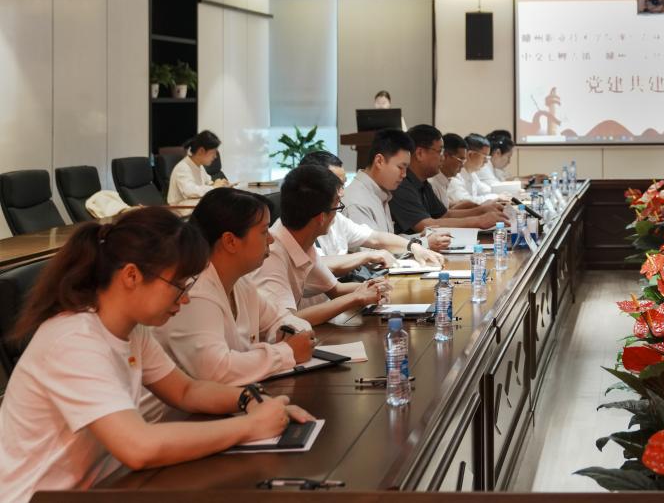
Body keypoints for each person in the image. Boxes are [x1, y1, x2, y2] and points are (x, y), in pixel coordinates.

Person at [0, 208, 312, 500]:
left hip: (105, 486)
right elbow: (139, 447)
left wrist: (250, 399)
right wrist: (250, 426)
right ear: (131, 276)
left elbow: (186, 391)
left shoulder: (132, 330)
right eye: (178, 285)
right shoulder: (74, 340)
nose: (185, 299)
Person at [157, 188, 315, 384]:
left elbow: (282, 319)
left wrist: (289, 335)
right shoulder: (194, 292)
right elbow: (216, 371)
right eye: (264, 231)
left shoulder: (240, 283)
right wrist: (286, 351)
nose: (271, 239)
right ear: (230, 241)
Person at [252, 164, 392, 326]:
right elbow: (285, 322)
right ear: (321, 218)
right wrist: (356, 297)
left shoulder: (301, 240)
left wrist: (374, 287)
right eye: (337, 206)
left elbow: (335, 289)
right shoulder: (271, 254)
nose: (337, 215)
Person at [299, 150, 446, 270]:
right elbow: (316, 264)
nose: (342, 193)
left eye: (343, 185)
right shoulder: (299, 221)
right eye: (400, 167)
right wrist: (367, 257)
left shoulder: (337, 215)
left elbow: (375, 238)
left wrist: (414, 246)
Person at [392, 126, 505, 234]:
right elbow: (425, 225)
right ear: (420, 153)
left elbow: (445, 215)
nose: (443, 158)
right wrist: (478, 220)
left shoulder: (423, 183)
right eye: (440, 152)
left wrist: (482, 210)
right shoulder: (402, 183)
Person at [342, 129, 416, 236]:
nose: (404, 174)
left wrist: (422, 239)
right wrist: (421, 242)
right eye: (400, 167)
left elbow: (388, 239)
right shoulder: (357, 203)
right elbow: (376, 246)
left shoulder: (380, 193)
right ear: (379, 161)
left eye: (406, 169)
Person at [167, 130, 230, 207]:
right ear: (201, 151)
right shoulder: (183, 167)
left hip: (195, 206)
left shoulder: (199, 166)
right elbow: (190, 191)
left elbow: (207, 182)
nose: (215, 156)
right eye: (213, 152)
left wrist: (218, 183)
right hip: (181, 210)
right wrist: (214, 187)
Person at [448, 134, 506, 205]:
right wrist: (496, 197)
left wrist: (502, 194)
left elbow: (484, 190)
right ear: (470, 155)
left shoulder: (471, 173)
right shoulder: (454, 174)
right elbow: (465, 201)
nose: (486, 161)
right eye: (484, 157)